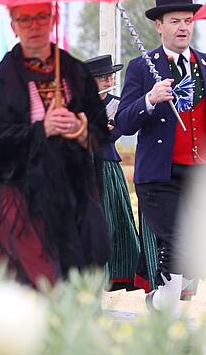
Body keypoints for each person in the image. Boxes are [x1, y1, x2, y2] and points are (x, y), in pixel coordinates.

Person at [0, 2, 109, 287]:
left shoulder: (74, 71)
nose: (34, 26)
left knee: (75, 275)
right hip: (19, 195)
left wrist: (81, 130)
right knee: (36, 279)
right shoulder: (1, 80)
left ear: (53, 19)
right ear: (13, 26)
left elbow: (99, 129)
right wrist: (40, 130)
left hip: (70, 191)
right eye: (25, 19)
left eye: (42, 17)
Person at [116, 0, 204, 310]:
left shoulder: (204, 64)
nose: (183, 27)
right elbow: (123, 122)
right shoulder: (143, 67)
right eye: (175, 21)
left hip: (198, 173)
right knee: (177, 239)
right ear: (158, 25)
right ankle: (165, 306)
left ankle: (160, 302)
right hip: (159, 176)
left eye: (187, 21)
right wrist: (149, 100)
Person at [84, 55, 140, 290]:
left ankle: (116, 273)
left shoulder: (117, 104)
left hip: (106, 166)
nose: (109, 81)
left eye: (110, 76)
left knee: (112, 219)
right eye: (103, 77)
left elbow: (113, 134)